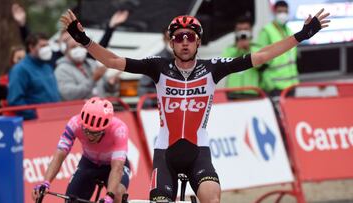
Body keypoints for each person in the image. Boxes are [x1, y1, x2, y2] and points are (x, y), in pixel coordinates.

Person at [60, 9, 330, 202]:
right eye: (179, 38)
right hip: (165, 152)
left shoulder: (212, 69)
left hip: (198, 149)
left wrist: (302, 34)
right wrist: (84, 40)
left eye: (190, 37)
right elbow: (113, 62)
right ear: (171, 42)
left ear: (198, 41)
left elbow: (261, 56)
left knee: (212, 198)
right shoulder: (158, 66)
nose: (185, 42)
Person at [31, 97, 131, 203]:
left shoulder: (119, 129)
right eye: (86, 131)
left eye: (95, 133)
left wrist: (110, 196)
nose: (90, 137)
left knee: (118, 195)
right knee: (70, 200)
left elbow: (117, 168)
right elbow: (59, 156)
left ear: (105, 128)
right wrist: (46, 182)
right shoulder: (74, 123)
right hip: (89, 163)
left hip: (112, 165)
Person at [7, 33, 61, 120]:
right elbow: (15, 100)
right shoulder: (20, 69)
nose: (47, 49)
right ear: (31, 47)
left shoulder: (47, 67)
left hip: (54, 118)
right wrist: (36, 115)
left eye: (47, 45)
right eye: (42, 46)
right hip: (35, 123)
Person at [54, 36, 119, 101]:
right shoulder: (61, 69)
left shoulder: (92, 63)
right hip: (79, 110)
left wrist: (111, 84)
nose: (78, 49)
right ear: (66, 51)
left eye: (81, 46)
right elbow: (69, 95)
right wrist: (93, 80)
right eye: (73, 47)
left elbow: (108, 89)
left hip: (100, 108)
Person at [257, 0, 299, 98]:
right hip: (274, 86)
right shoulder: (267, 31)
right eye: (280, 12)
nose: (283, 14)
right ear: (274, 12)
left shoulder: (289, 31)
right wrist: (270, 85)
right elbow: (260, 62)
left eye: (285, 12)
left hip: (291, 85)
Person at [222, 16, 262, 98]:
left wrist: (248, 49)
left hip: (252, 92)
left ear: (251, 30)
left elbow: (259, 65)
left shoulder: (257, 49)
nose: (243, 32)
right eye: (240, 29)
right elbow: (223, 65)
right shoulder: (230, 49)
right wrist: (237, 49)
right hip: (233, 92)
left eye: (246, 29)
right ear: (236, 31)